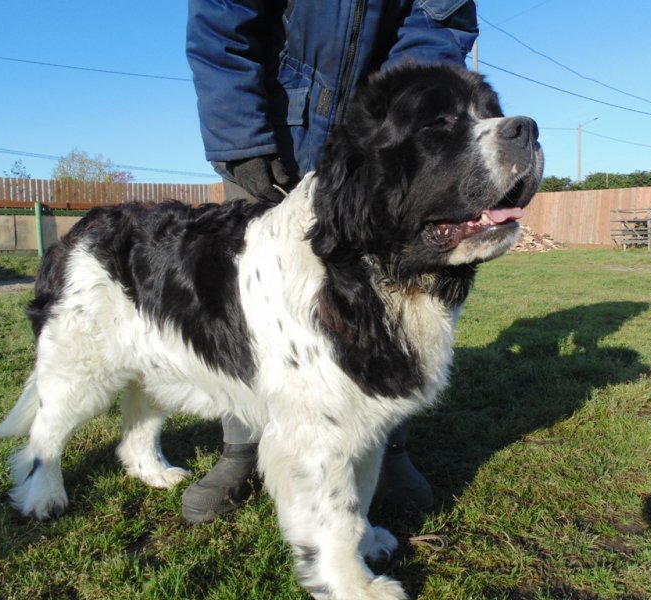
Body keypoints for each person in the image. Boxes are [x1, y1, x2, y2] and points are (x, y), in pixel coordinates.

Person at [183, 0, 478, 523]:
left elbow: (440, 19)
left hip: (385, 143)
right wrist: (241, 138)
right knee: (253, 308)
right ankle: (242, 446)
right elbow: (221, 18)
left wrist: (406, 107)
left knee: (396, 294)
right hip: (274, 123)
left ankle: (383, 445)